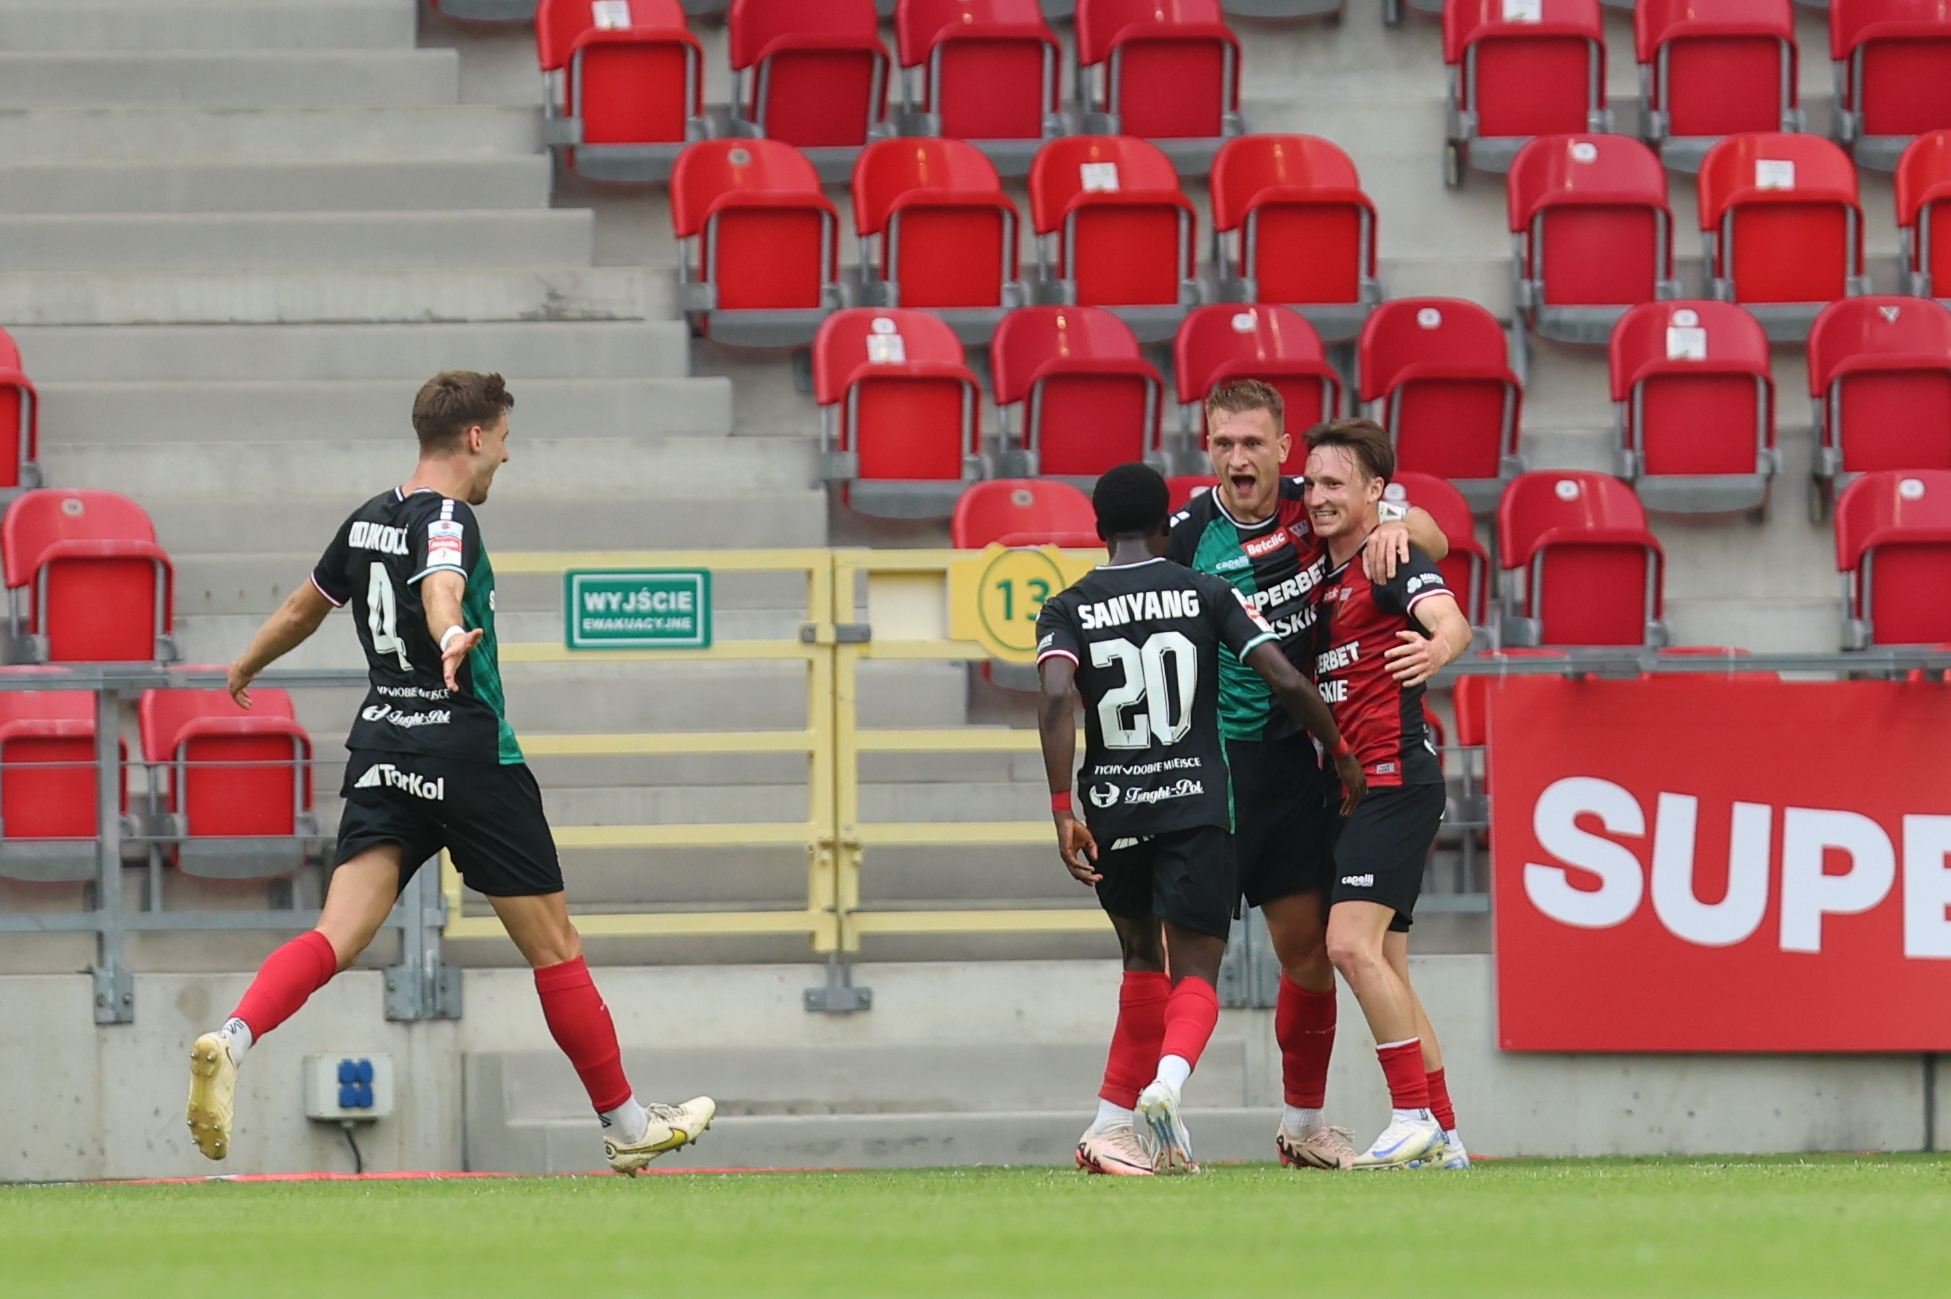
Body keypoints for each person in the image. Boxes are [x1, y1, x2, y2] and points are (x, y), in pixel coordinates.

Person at [185, 371, 714, 1176]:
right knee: (555, 947)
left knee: (336, 934)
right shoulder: (448, 516)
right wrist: (450, 633)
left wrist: (244, 665)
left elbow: (303, 607)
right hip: (467, 752)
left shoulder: (368, 518)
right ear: (474, 437)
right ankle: (628, 1122)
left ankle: (232, 1037)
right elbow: (441, 584)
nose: (508, 451)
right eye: (503, 435)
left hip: (381, 750)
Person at [1035, 462, 1366, 1176]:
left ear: (1098, 532)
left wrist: (1064, 809)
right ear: (1165, 528)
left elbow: (1059, 698)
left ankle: (1109, 1126)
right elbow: (1281, 674)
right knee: (1195, 973)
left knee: (1137, 960)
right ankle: (1165, 1085)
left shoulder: (1065, 606)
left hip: (1114, 808)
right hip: (1194, 803)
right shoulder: (1205, 589)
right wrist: (1338, 750)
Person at [1165, 379, 1450, 1171]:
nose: (1237, 457)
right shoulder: (1187, 533)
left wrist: (1399, 526)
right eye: (1223, 443)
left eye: (1252, 442)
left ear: (1281, 448)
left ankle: (1303, 1122)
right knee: (1180, 954)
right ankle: (1134, 1114)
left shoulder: (1313, 500)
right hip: (1213, 762)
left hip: (1298, 760)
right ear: (1207, 447)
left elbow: (1431, 532)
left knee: (1310, 951)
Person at [1302, 418, 1474, 1171]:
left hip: (1395, 778)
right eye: (1310, 483)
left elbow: (1450, 619)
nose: (1316, 497)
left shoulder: (1387, 555)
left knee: (1346, 943)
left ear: (1376, 492)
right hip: (1362, 786)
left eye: (1334, 484)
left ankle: (1409, 1114)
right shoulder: (1330, 567)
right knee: (1390, 969)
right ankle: (1446, 1135)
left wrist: (1436, 645)